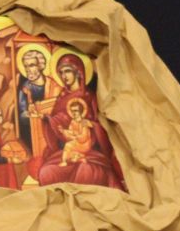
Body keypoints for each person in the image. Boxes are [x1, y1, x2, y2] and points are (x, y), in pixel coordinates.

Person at [38, 54, 127, 190]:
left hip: (91, 151)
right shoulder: (62, 97)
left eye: (67, 71)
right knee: (46, 172)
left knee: (86, 173)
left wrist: (92, 125)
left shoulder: (90, 96)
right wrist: (47, 119)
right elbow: (57, 124)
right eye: (61, 72)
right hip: (68, 149)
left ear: (78, 71)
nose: (64, 76)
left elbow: (107, 126)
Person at [15, 45, 60, 160]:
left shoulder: (54, 85)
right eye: (26, 66)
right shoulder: (25, 89)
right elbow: (21, 115)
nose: (28, 69)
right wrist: (29, 114)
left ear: (40, 66)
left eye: (32, 65)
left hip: (55, 130)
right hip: (36, 133)